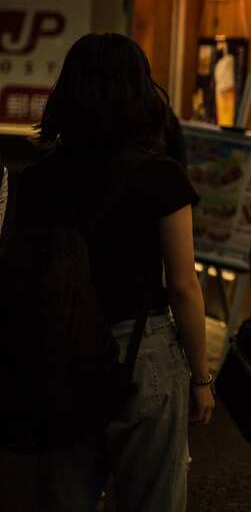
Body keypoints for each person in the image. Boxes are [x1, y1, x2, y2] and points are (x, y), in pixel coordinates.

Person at [13, 33, 211, 512]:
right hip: (140, 350)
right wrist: (202, 378)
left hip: (58, 348)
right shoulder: (161, 176)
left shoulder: (35, 179)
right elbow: (183, 286)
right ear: (140, 92)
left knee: (64, 498)